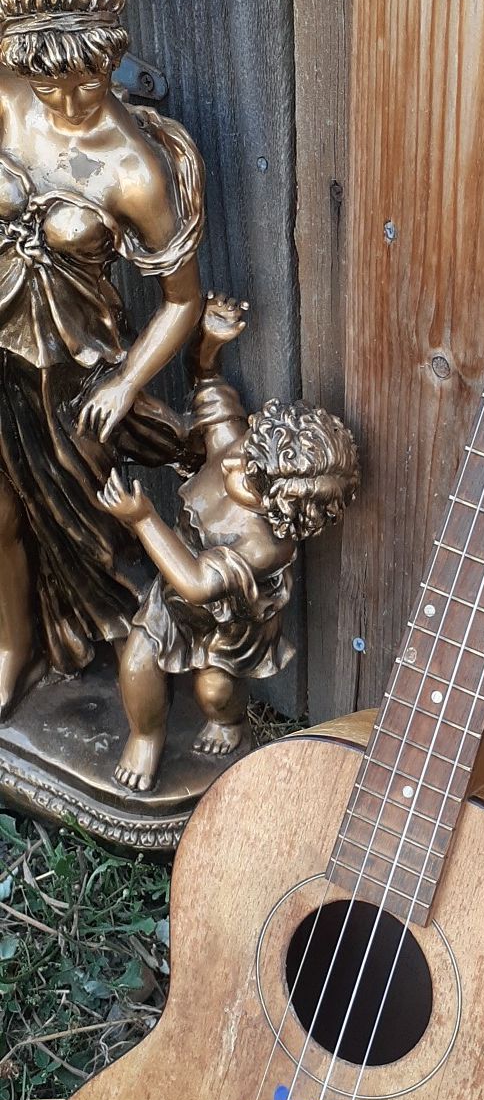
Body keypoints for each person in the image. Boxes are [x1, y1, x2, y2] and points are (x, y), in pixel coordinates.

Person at [0, 0, 205, 715]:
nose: (67, 103)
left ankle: (141, 670)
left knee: (91, 529)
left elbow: (182, 302)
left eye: (86, 83)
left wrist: (125, 385)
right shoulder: (9, 100)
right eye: (47, 86)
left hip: (72, 375)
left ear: (110, 58)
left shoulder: (135, 167)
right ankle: (14, 644)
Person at [98, 295, 359, 792]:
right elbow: (209, 390)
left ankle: (229, 723)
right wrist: (209, 344)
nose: (231, 459)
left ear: (278, 507)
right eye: (248, 445)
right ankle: (146, 735)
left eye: (247, 472)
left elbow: (199, 584)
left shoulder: (264, 547)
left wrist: (143, 518)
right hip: (174, 596)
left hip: (228, 624)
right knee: (137, 660)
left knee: (215, 691)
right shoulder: (241, 454)